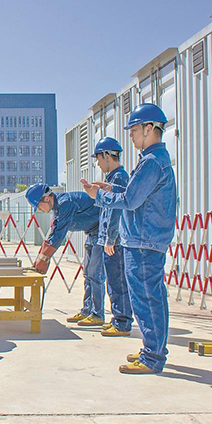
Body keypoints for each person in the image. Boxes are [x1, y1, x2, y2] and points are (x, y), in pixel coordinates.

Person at [81, 103, 177, 374]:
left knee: (146, 298)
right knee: (151, 297)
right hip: (146, 240)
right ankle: (152, 350)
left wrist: (98, 196)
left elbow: (131, 200)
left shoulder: (151, 162)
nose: (132, 136)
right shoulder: (155, 160)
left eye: (134, 130)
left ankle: (152, 358)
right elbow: (134, 193)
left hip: (143, 242)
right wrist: (110, 187)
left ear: (149, 129)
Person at [25, 184, 104, 327]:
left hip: (101, 233)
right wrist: (39, 258)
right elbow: (52, 233)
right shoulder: (57, 208)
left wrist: (45, 258)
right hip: (92, 233)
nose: (40, 210)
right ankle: (87, 310)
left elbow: (60, 234)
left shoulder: (66, 203)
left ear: (47, 198)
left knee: (94, 274)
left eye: (39, 206)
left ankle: (98, 314)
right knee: (87, 273)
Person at [91, 137, 133, 337]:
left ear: (108, 156)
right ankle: (118, 318)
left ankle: (123, 322)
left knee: (118, 281)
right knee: (113, 281)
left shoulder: (120, 178)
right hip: (110, 239)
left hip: (114, 241)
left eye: (99, 158)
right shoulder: (113, 179)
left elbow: (116, 211)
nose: (98, 163)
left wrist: (110, 238)